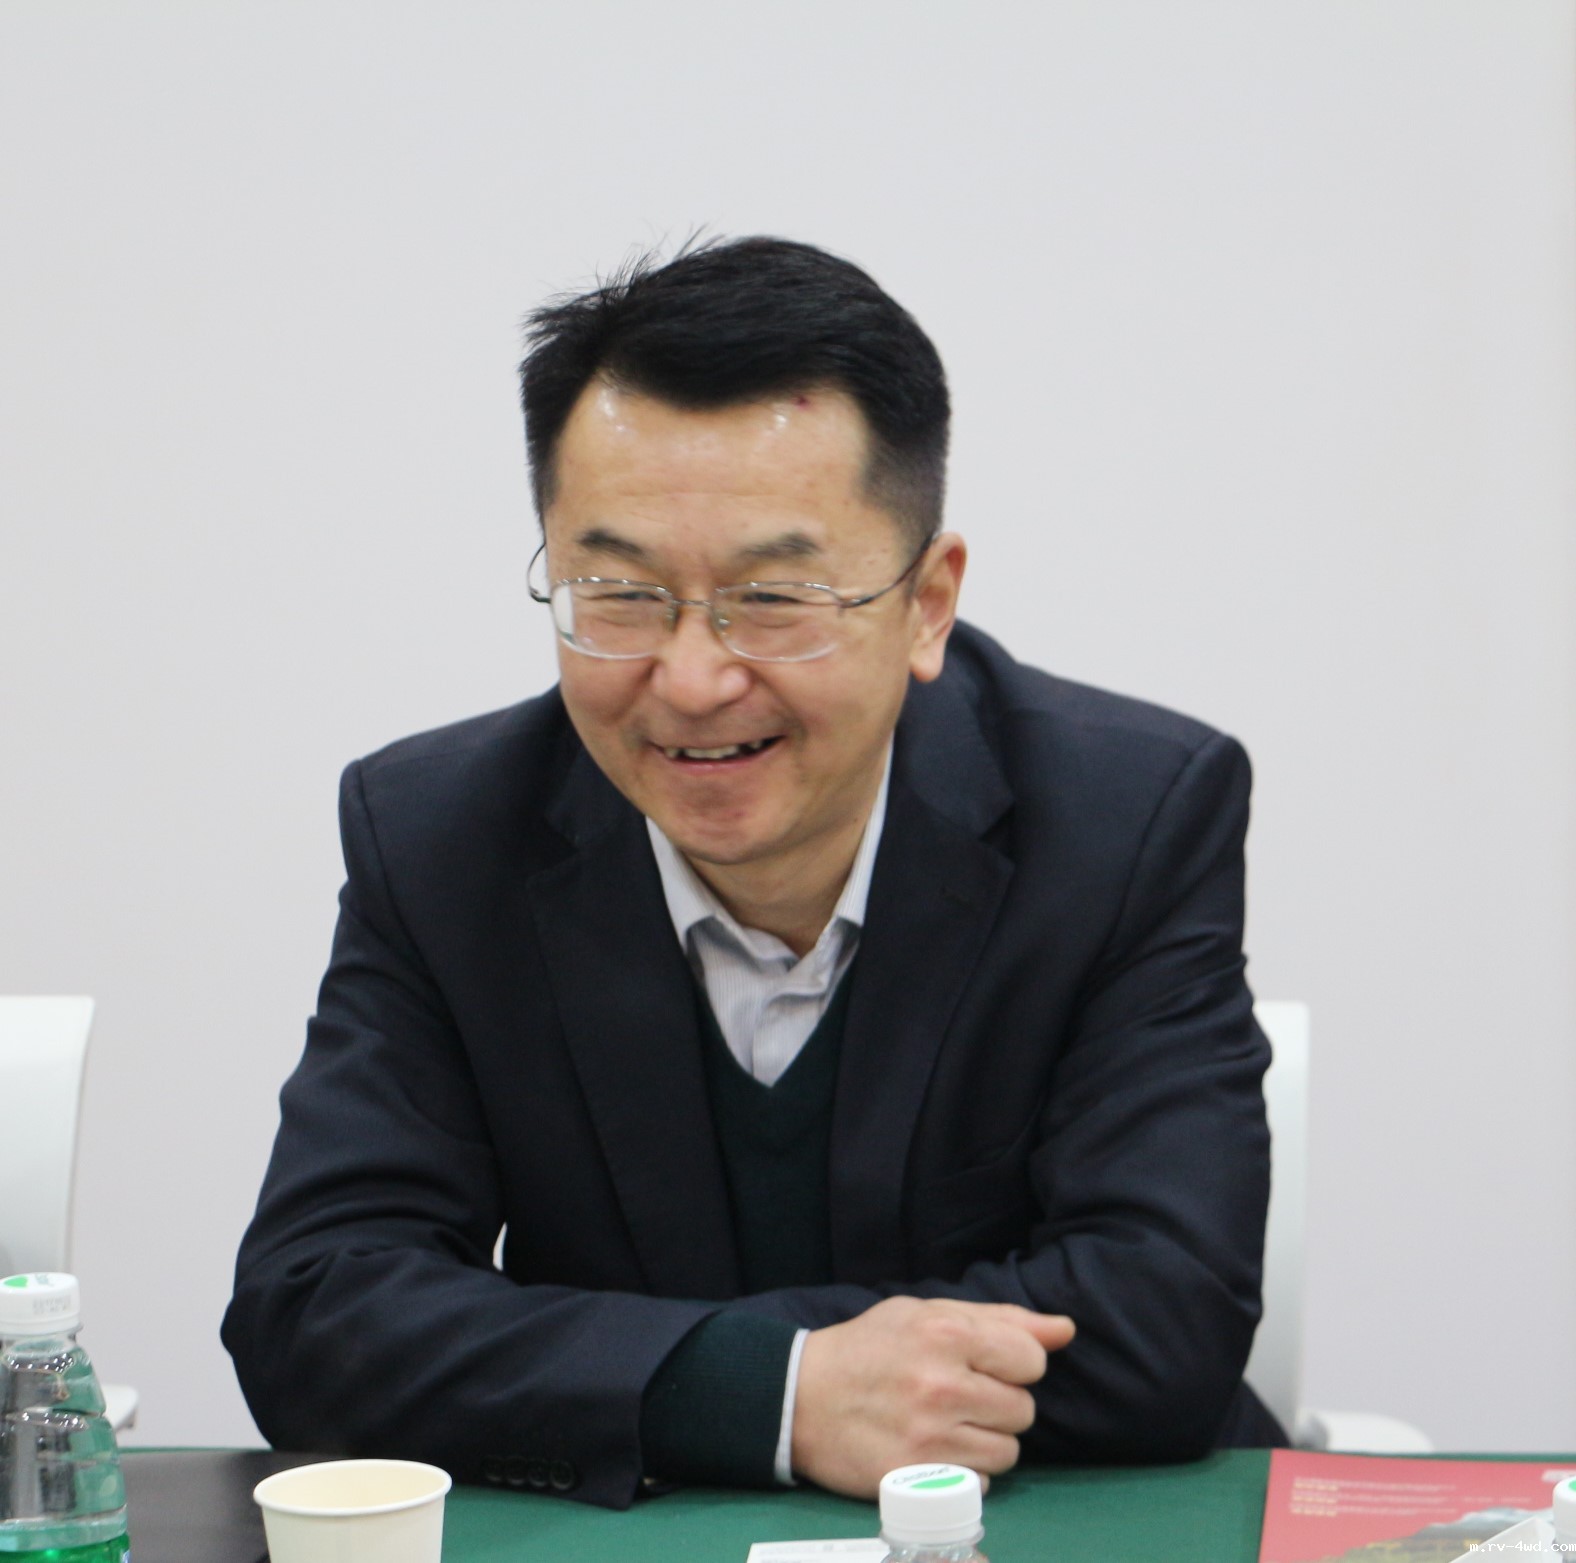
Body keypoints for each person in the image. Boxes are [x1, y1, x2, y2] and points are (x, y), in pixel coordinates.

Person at [223, 236, 1282, 1511]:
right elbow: (315, 1311)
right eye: (618, 594)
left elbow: (1161, 1320)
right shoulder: (441, 837)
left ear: (927, 603)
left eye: (772, 598)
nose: (690, 679)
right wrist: (774, 1392)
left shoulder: (1123, 820)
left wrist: (609, 1362)